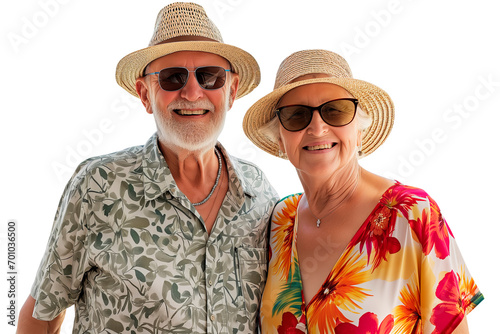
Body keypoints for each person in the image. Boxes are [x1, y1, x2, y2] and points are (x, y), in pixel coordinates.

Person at [17, 3, 278, 333]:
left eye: (211, 76)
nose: (193, 92)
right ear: (144, 94)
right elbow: (43, 311)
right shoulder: (97, 185)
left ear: (231, 91)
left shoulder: (261, 193)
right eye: (172, 78)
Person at [243, 49, 483, 333]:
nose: (317, 127)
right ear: (280, 140)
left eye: (335, 110)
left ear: (359, 130)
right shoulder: (282, 219)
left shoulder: (413, 214)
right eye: (297, 116)